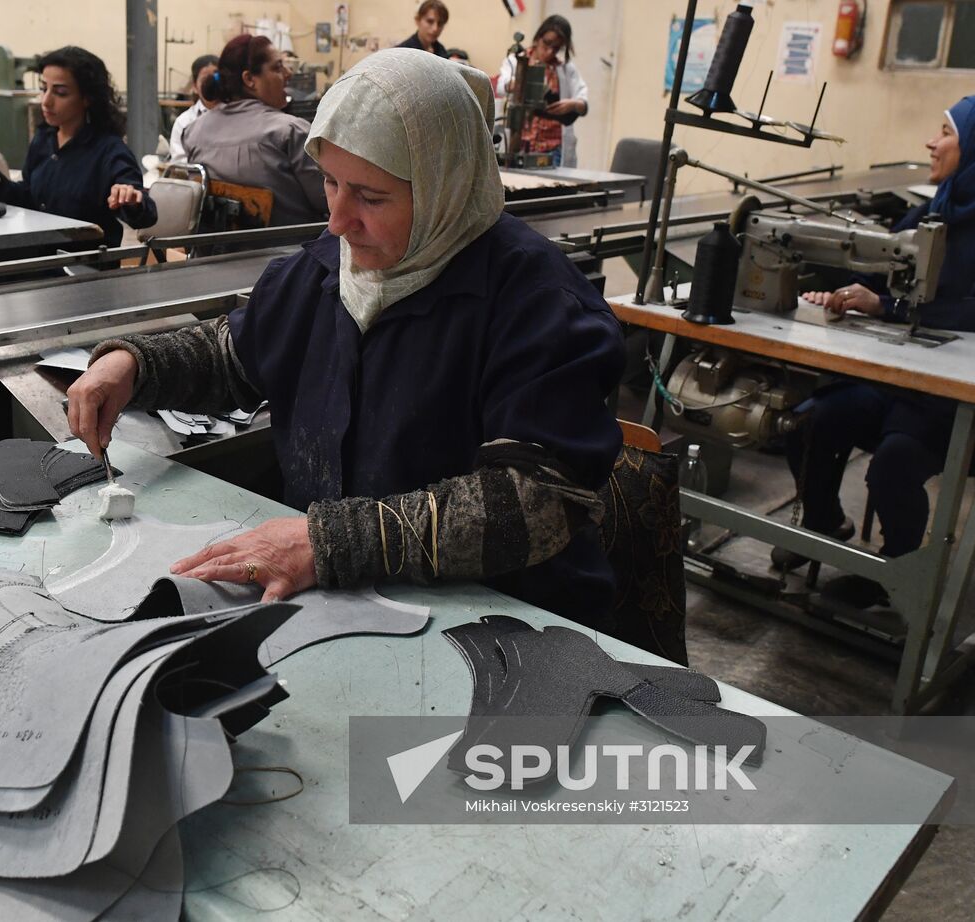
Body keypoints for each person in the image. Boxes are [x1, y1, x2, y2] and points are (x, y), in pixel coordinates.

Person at [67, 49, 626, 625]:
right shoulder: (327, 272)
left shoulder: (538, 308)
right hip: (342, 604)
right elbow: (232, 354)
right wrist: (133, 366)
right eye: (330, 182)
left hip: (506, 622)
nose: (337, 219)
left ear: (445, 185)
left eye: (372, 196)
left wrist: (326, 543)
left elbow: (532, 503)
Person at [775, 94, 975, 605]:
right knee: (807, 424)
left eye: (945, 132)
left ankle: (895, 577)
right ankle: (824, 523)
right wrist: (841, 294)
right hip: (898, 383)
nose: (930, 141)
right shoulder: (933, 212)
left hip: (953, 401)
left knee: (893, 466)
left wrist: (888, 308)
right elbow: (876, 269)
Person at [0, 46, 156, 249]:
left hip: (83, 267)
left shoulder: (109, 150)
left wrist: (131, 200)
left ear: (87, 98)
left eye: (60, 93)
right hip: (40, 255)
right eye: (44, 89)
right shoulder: (44, 138)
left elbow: (146, 215)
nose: (46, 101)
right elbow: (30, 198)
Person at [182, 34, 326, 226]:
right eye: (277, 67)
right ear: (249, 79)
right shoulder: (290, 132)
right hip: (289, 252)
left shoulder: (193, 132)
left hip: (213, 253)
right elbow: (329, 200)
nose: (289, 73)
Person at [496, 15, 589, 168]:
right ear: (538, 37)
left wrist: (573, 104)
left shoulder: (565, 69)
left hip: (552, 149)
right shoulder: (516, 61)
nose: (550, 51)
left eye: (557, 48)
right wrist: (516, 83)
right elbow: (501, 86)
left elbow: (584, 104)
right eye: (547, 43)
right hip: (519, 145)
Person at [168, 54, 219, 162]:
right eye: (205, 79)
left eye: (215, 78)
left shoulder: (234, 115)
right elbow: (180, 163)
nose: (211, 84)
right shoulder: (184, 122)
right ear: (195, 87)